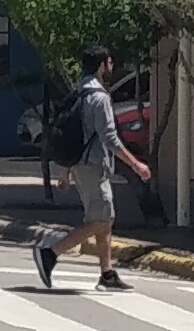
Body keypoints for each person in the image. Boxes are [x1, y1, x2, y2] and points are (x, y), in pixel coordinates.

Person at [31, 48, 150, 293]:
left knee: (104, 221)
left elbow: (73, 133)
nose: (112, 66)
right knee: (100, 219)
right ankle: (50, 251)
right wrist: (136, 164)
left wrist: (65, 171)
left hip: (80, 165)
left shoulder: (79, 91)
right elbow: (110, 138)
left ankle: (107, 274)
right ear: (101, 66)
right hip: (93, 166)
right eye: (109, 62)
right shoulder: (100, 98)